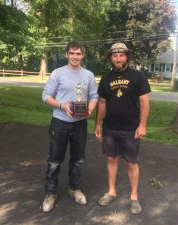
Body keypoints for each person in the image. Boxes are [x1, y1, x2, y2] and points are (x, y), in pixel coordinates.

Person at [42, 41, 98, 212]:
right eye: (72, 53)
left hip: (80, 123)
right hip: (60, 122)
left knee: (78, 159)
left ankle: (75, 188)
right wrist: (62, 106)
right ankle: (51, 193)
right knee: (54, 160)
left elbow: (94, 96)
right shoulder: (57, 73)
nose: (75, 56)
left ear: (83, 55)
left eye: (78, 53)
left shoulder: (88, 75)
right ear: (67, 54)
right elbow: (45, 96)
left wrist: (90, 108)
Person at [94, 42, 151, 214]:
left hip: (130, 128)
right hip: (110, 127)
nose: (118, 58)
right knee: (111, 159)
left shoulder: (138, 76)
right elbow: (102, 102)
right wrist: (97, 123)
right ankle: (111, 191)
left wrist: (142, 125)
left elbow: (144, 102)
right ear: (111, 58)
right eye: (115, 55)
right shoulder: (106, 79)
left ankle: (134, 197)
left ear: (126, 57)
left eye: (121, 55)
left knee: (131, 163)